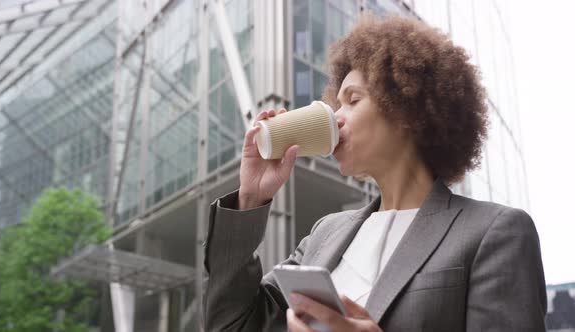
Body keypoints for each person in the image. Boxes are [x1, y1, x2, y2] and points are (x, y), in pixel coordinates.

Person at [202, 13, 546, 332]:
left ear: (408, 108)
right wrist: (250, 197)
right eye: (337, 103)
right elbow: (231, 325)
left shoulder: (494, 231)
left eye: (353, 100)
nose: (335, 117)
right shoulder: (326, 233)